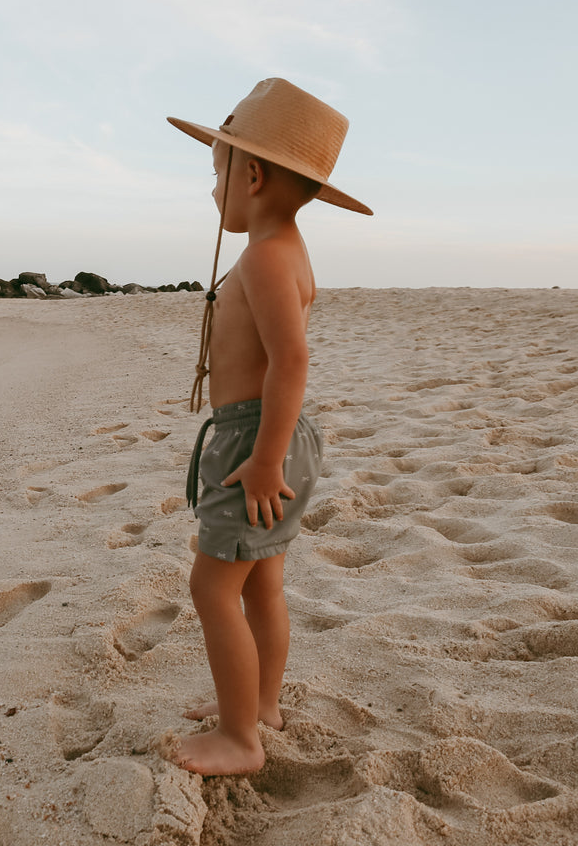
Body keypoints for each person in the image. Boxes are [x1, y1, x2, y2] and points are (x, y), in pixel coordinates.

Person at [166, 77, 372, 776]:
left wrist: (262, 457)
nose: (212, 191)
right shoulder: (287, 247)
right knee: (262, 584)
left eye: (216, 173)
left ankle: (240, 739)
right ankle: (262, 704)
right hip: (269, 433)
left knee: (211, 588)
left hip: (258, 435)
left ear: (250, 175)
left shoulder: (263, 256)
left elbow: (291, 359)